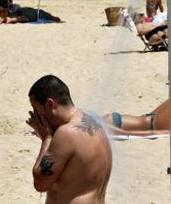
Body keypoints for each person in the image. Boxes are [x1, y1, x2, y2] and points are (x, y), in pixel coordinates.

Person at [26, 75, 112, 203]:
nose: (35, 116)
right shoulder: (94, 123)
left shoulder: (66, 134)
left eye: (36, 108)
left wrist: (46, 139)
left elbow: (40, 183)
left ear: (50, 104)